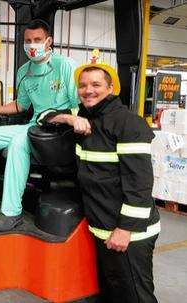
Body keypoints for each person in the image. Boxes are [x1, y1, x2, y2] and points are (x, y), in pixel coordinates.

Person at [44, 53, 160, 302]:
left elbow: (139, 184)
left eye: (96, 85)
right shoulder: (85, 117)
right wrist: (68, 117)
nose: (88, 90)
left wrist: (125, 229)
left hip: (129, 235)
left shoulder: (129, 123)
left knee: (135, 297)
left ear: (110, 88)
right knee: (112, 294)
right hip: (102, 229)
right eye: (83, 85)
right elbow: (46, 117)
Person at [0, 19, 79, 231]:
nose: (32, 45)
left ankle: (11, 212)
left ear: (49, 41)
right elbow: (21, 105)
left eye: (37, 40)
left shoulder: (64, 65)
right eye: (28, 40)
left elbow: (77, 107)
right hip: (33, 125)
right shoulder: (24, 71)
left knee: (20, 140)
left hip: (59, 130)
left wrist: (63, 119)